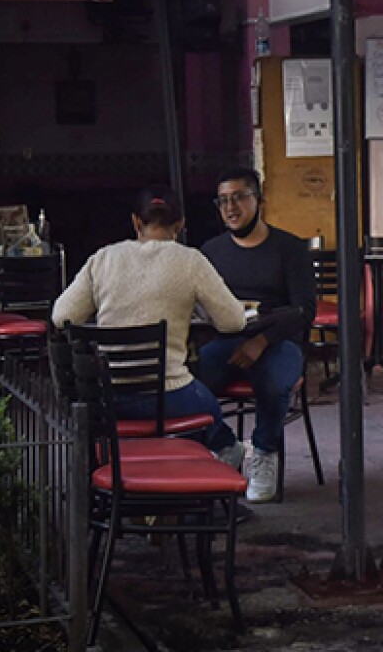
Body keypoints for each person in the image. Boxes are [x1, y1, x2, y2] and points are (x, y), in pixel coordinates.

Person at [51, 186, 247, 461]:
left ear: (135, 221)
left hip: (105, 396)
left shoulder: (104, 258)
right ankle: (203, 470)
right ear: (180, 224)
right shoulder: (190, 261)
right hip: (168, 397)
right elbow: (233, 322)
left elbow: (62, 316)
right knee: (211, 411)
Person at [197, 167, 316, 504]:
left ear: (260, 200)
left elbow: (304, 310)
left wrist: (262, 341)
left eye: (239, 197)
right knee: (185, 381)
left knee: (273, 379)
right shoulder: (211, 251)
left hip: (280, 344)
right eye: (223, 200)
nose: (230, 207)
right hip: (226, 342)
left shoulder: (289, 248)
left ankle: (264, 452)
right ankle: (225, 445)